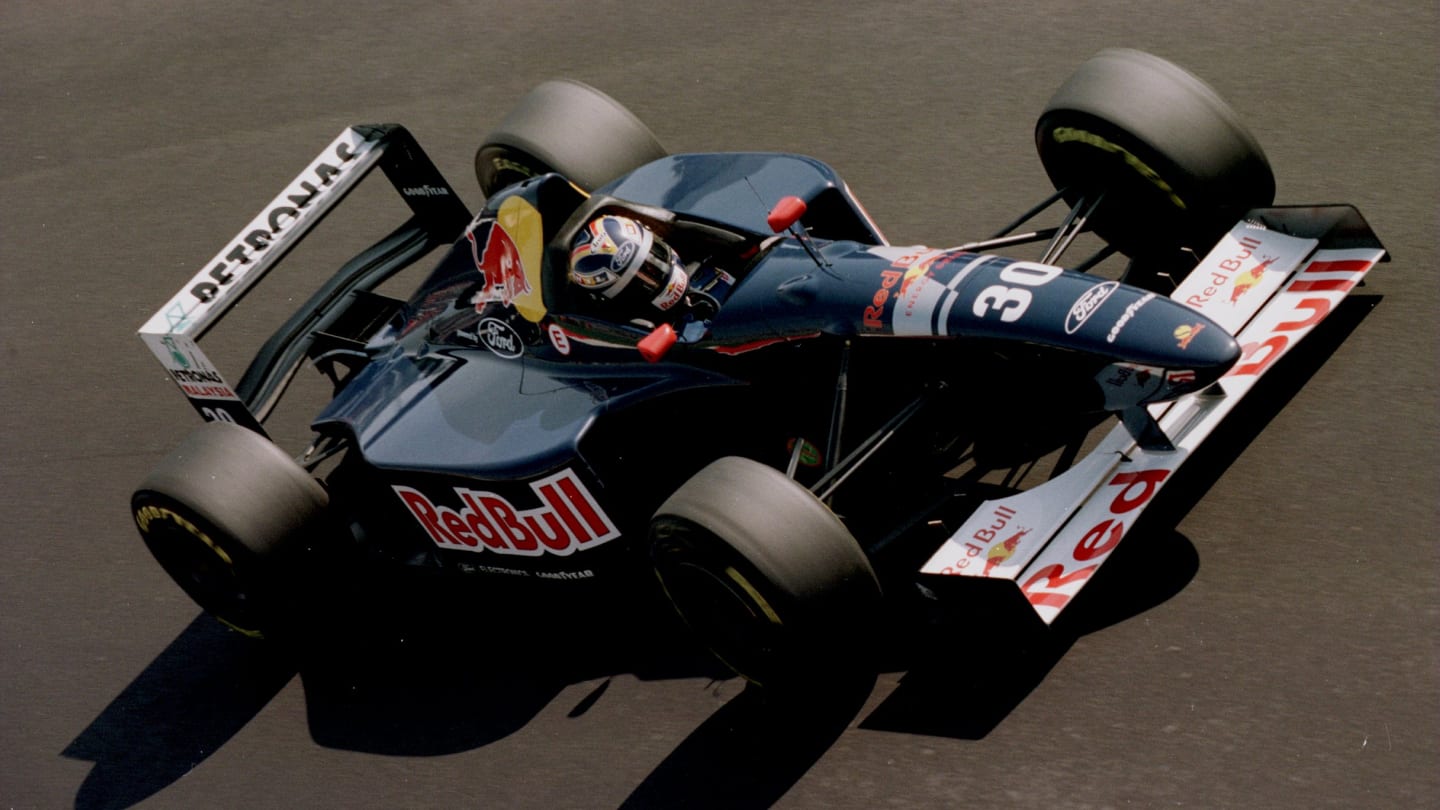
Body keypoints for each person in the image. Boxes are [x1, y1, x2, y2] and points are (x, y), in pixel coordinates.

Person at [568, 215, 718, 323]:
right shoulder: (642, 325)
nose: (654, 277)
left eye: (654, 257)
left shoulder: (706, 257)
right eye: (636, 283)